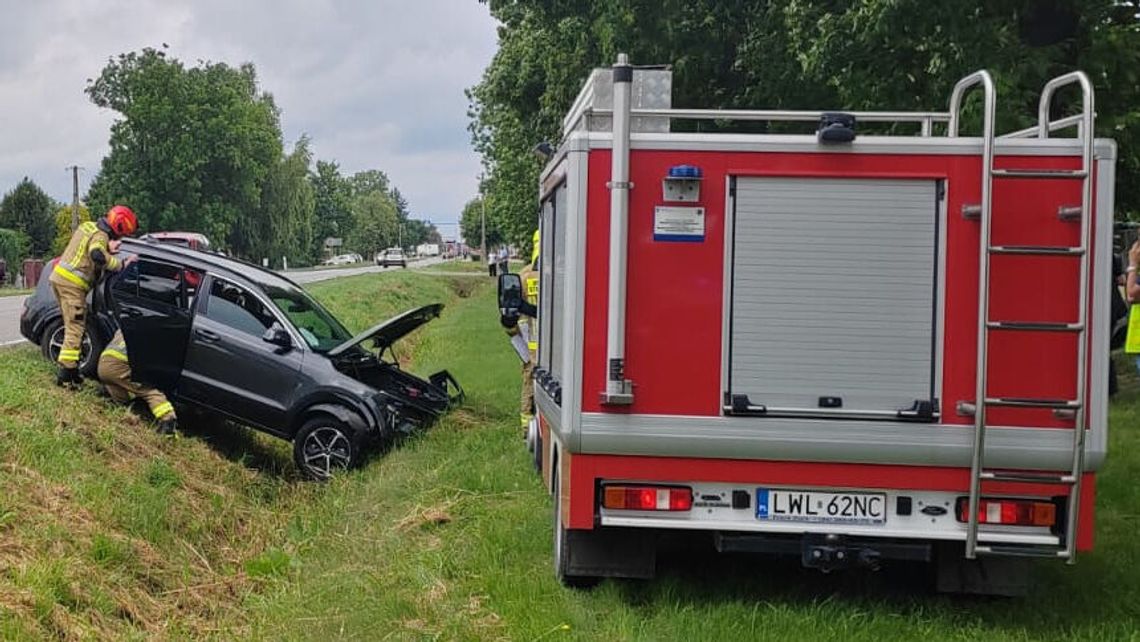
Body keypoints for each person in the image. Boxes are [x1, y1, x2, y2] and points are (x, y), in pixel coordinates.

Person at [49, 205, 138, 387]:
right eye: (121, 235)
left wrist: (107, 249)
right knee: (75, 328)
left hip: (59, 279)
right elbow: (96, 255)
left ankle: (72, 370)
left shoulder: (87, 226)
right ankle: (66, 376)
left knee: (71, 326)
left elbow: (85, 251)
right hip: (72, 285)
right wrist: (121, 264)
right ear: (118, 227)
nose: (120, 239)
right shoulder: (101, 235)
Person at [97, 330, 178, 435]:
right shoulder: (150, 335)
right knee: (148, 391)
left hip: (103, 365)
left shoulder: (127, 327)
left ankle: (117, 402)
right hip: (118, 366)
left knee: (119, 385)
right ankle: (168, 420)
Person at [501, 229, 541, 435]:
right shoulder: (567, 272)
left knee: (530, 378)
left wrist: (512, 330)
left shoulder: (523, 275)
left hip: (530, 342)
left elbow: (510, 314)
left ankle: (527, 426)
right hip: (548, 342)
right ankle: (528, 424)